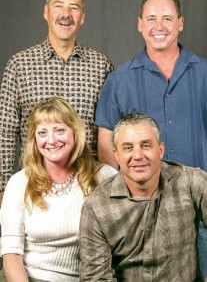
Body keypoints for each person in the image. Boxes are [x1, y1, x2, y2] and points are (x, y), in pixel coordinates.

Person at [95, 0, 207, 277]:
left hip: (201, 212)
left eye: (167, 18)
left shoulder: (204, 73)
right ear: (139, 24)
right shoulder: (119, 79)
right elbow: (107, 142)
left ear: (180, 23)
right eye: (152, 18)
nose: (160, 26)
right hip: (141, 212)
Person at [0, 0, 113, 200]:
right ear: (46, 11)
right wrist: (2, 186)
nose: (66, 14)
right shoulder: (19, 65)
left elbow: (107, 132)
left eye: (74, 7)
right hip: (34, 186)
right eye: (58, 6)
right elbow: (4, 130)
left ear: (83, 16)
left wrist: (107, 186)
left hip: (87, 187)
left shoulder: (101, 66)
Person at [0, 97, 117, 282]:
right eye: (42, 133)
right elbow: (11, 256)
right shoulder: (19, 183)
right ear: (34, 139)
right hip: (28, 277)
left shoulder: (104, 177)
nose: (52, 140)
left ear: (75, 133)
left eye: (60, 130)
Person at [80, 113, 207, 282]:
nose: (138, 155)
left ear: (160, 150)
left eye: (146, 145)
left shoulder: (191, 182)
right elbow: (95, 278)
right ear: (116, 155)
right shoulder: (96, 207)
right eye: (127, 148)